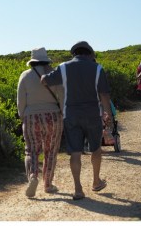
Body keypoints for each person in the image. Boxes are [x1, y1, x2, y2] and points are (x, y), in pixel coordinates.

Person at [42, 41, 111, 201]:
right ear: (89, 54)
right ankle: (96, 181)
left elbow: (46, 80)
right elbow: (104, 95)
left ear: (74, 53)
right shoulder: (98, 68)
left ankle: (78, 189)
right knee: (96, 149)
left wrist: (43, 73)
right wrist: (109, 117)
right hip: (93, 115)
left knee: (75, 152)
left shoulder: (64, 67)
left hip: (71, 115)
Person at [16, 48, 64, 198]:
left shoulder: (25, 76)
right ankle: (48, 184)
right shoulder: (54, 74)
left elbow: (20, 100)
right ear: (46, 60)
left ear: (32, 61)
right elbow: (62, 96)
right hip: (53, 116)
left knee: (31, 150)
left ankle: (33, 177)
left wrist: (22, 115)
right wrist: (62, 113)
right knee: (51, 151)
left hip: (31, 117)